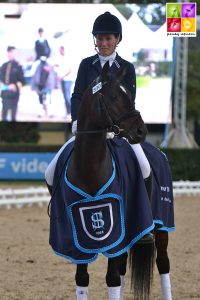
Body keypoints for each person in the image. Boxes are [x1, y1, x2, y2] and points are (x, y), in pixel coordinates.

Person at [45, 12, 153, 300]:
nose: (103, 42)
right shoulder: (86, 65)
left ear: (117, 40)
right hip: (87, 133)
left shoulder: (126, 68)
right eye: (100, 38)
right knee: (50, 171)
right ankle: (61, 215)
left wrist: (116, 128)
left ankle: (144, 225)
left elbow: (128, 99)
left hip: (117, 132)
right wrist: (77, 122)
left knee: (143, 167)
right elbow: (77, 95)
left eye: (108, 38)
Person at [0, 46, 25, 121]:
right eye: (11, 52)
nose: (13, 54)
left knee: (13, 116)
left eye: (14, 53)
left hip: (14, 93)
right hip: (5, 93)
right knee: (4, 115)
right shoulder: (3, 66)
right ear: (8, 53)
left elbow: (22, 81)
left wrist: (15, 85)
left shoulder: (18, 66)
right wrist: (2, 85)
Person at [56, 46, 72, 120]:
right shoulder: (59, 59)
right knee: (65, 97)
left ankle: (71, 113)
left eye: (60, 50)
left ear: (63, 50)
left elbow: (69, 70)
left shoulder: (68, 58)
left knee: (67, 96)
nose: (59, 52)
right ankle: (68, 113)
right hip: (62, 80)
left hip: (67, 80)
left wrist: (62, 76)